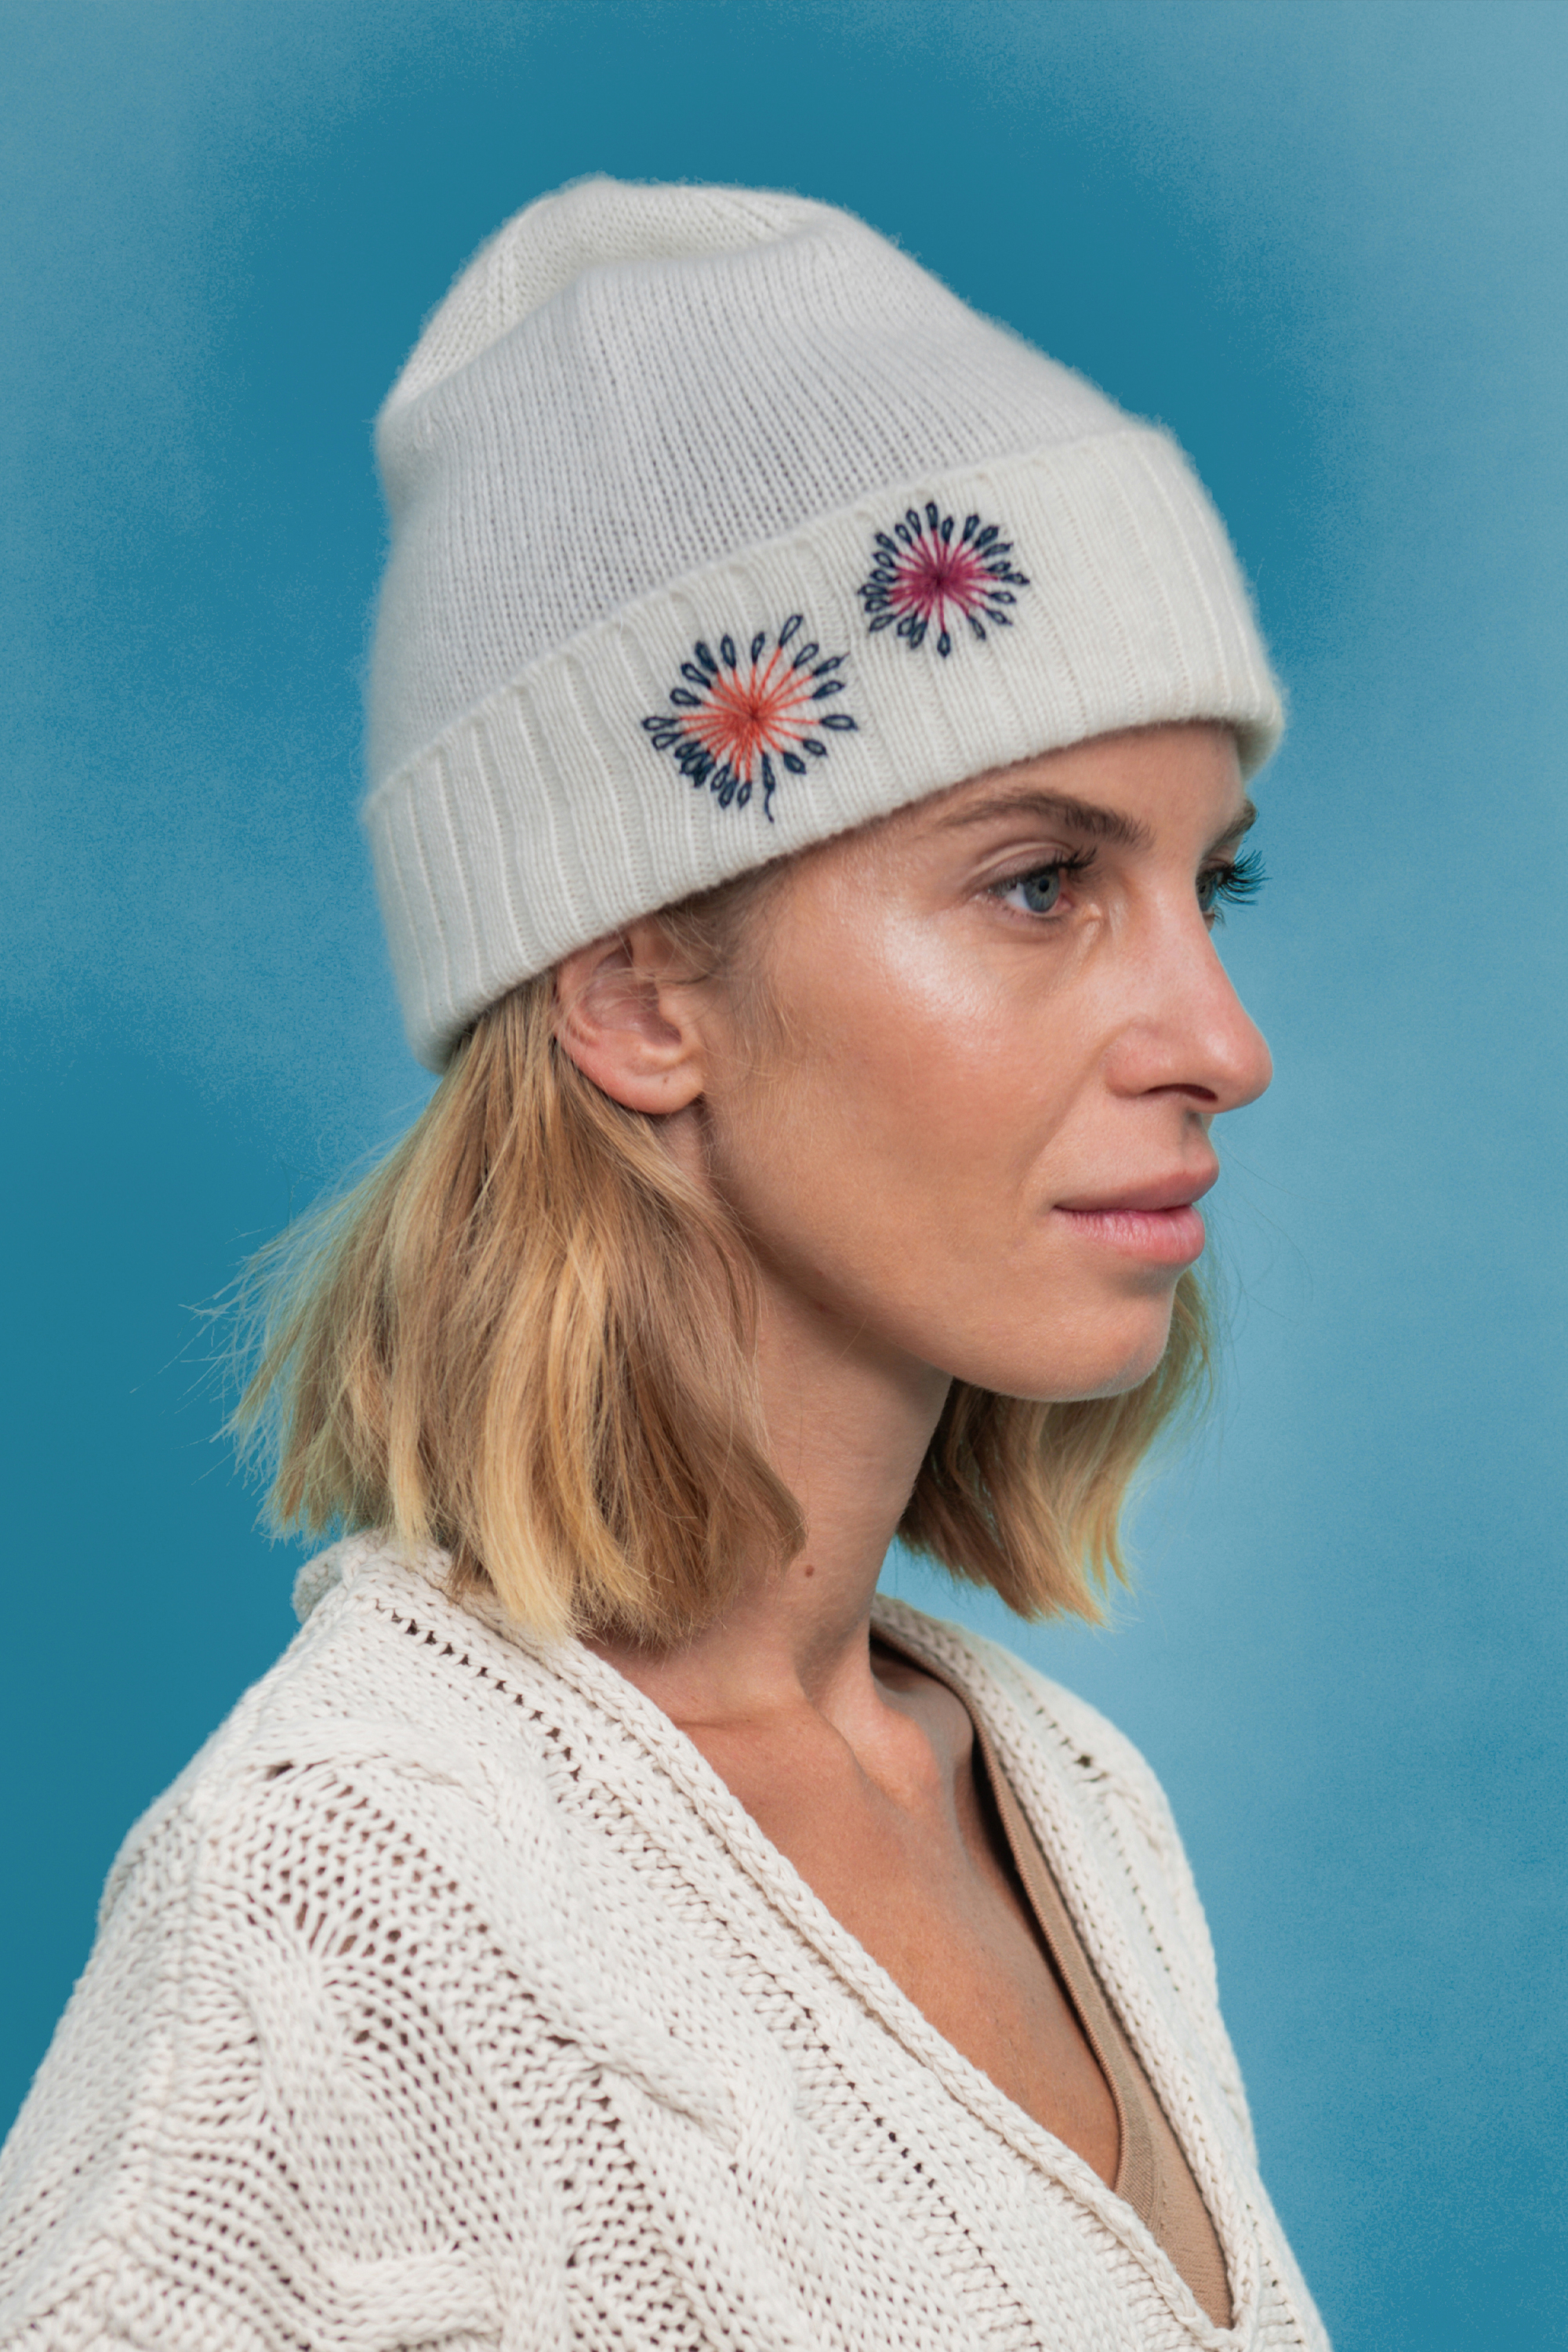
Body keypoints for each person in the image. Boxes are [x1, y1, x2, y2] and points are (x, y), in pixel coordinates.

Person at [0, 180, 1329, 2350]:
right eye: (1038, 884)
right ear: (635, 999)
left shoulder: (1066, 1799)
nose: (1222, 1041)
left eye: (1214, 887)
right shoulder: (347, 1897)